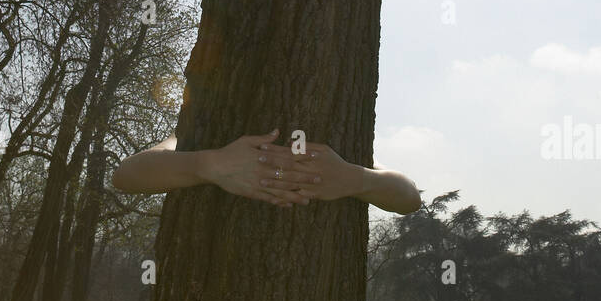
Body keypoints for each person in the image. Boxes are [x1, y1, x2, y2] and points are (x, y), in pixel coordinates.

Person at [112, 129, 421, 215]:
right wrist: (211, 164)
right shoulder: (200, 131)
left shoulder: (343, 143)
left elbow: (409, 197)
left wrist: (357, 178)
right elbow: (126, 174)